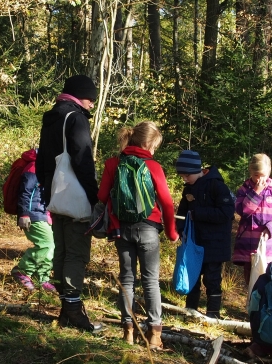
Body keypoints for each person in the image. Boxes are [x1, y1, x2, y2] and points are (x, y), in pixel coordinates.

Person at [97, 121, 179, 348]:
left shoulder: (114, 163)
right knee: (150, 281)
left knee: (127, 280)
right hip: (148, 229)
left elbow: (102, 196)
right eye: (155, 146)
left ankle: (128, 331)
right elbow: (167, 203)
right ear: (148, 143)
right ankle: (154, 334)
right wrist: (172, 233)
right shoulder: (153, 166)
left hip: (121, 229)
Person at [36, 75, 102, 332]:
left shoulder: (52, 116)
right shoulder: (75, 118)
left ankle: (66, 308)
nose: (92, 105)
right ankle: (73, 311)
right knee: (76, 253)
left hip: (54, 194)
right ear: (81, 96)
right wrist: (94, 195)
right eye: (90, 99)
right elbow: (83, 159)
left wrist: (45, 188)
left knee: (61, 251)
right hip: (74, 197)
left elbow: (42, 158)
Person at [175, 150, 235, 318]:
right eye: (182, 176)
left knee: (212, 279)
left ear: (197, 170)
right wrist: (180, 228)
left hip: (215, 243)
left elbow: (226, 213)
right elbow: (182, 211)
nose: (185, 179)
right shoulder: (188, 189)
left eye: (187, 175)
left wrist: (199, 214)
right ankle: (191, 310)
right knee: (192, 276)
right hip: (194, 242)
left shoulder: (217, 186)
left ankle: (213, 313)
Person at [233, 153, 272, 274]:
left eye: (263, 176)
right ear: (250, 171)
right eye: (256, 175)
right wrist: (256, 192)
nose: (260, 180)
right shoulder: (244, 190)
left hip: (268, 246)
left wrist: (271, 229)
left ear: (269, 172)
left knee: (266, 278)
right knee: (250, 280)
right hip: (247, 245)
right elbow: (243, 211)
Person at [10, 149, 56, 293]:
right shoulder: (34, 166)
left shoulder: (46, 166)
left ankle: (42, 278)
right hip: (32, 214)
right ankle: (22, 271)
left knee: (51, 246)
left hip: (44, 213)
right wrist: (24, 214)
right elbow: (25, 192)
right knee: (46, 244)